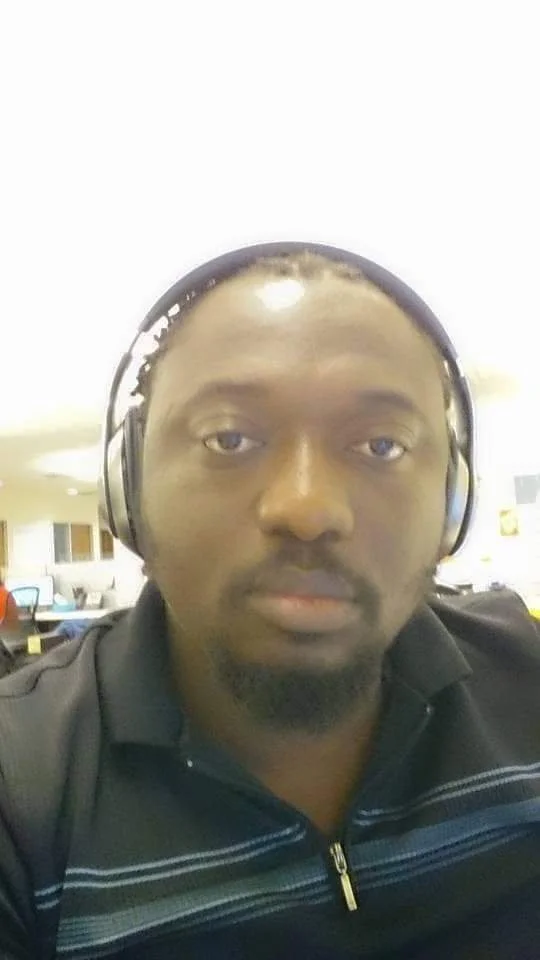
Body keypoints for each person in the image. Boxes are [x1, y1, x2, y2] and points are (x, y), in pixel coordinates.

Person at [0, 243, 539, 959]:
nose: (307, 508)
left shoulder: (527, 684)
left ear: (452, 503)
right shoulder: (21, 787)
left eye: (381, 445)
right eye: (230, 437)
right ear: (129, 493)